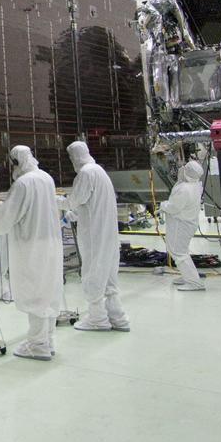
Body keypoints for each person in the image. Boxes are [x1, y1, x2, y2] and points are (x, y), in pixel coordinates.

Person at [0, 145, 63, 360]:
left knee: (35, 291)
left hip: (31, 246)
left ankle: (37, 345)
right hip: (50, 244)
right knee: (48, 291)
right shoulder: (46, 178)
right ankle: (48, 340)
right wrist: (0, 204)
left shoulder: (22, 183)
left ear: (16, 162)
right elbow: (30, 206)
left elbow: (7, 219)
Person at [66, 140, 129, 332]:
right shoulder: (99, 171)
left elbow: (75, 200)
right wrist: (75, 214)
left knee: (93, 272)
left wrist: (55, 201)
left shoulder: (86, 173)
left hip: (94, 234)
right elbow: (92, 203)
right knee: (108, 274)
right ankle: (117, 317)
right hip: (107, 232)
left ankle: (97, 319)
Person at [161, 160, 206, 291]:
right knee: (182, 251)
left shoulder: (184, 189)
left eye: (184, 168)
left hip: (180, 224)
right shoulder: (195, 185)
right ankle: (188, 276)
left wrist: (163, 205)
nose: (181, 169)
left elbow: (174, 207)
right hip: (187, 222)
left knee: (178, 253)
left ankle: (194, 283)